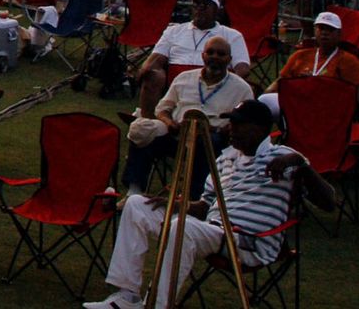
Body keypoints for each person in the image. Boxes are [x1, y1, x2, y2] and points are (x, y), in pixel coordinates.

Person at [84, 100, 335, 309]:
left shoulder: (285, 157)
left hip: (248, 240)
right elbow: (205, 206)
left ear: (260, 129)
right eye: (230, 123)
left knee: (183, 228)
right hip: (214, 229)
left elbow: (329, 202)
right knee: (138, 204)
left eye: (238, 124)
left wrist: (302, 167)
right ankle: (127, 296)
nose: (230, 129)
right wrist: (176, 204)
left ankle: (156, 305)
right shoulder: (225, 159)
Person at [123, 37, 253, 194]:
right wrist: (169, 122)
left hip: (212, 139)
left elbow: (246, 123)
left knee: (205, 142)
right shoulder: (185, 78)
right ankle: (134, 190)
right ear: (203, 56)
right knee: (141, 128)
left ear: (229, 60)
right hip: (177, 134)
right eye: (210, 52)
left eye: (221, 54)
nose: (215, 57)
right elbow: (163, 109)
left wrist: (217, 129)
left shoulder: (241, 88)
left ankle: (190, 197)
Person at [133, 0, 251, 117]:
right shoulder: (174, 31)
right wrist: (145, 71)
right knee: (153, 75)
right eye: (196, 5)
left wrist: (229, 85)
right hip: (177, 81)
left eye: (205, 5)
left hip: (213, 80)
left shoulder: (231, 35)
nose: (199, 9)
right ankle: (147, 120)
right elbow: (155, 59)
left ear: (216, 10)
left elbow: (242, 69)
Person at [258, 10, 359, 116]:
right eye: (321, 28)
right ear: (315, 31)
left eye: (330, 30)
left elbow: (358, 97)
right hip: (297, 101)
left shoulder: (349, 61)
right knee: (264, 100)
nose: (324, 33)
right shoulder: (300, 56)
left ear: (339, 34)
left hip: (328, 107)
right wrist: (266, 93)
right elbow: (279, 82)